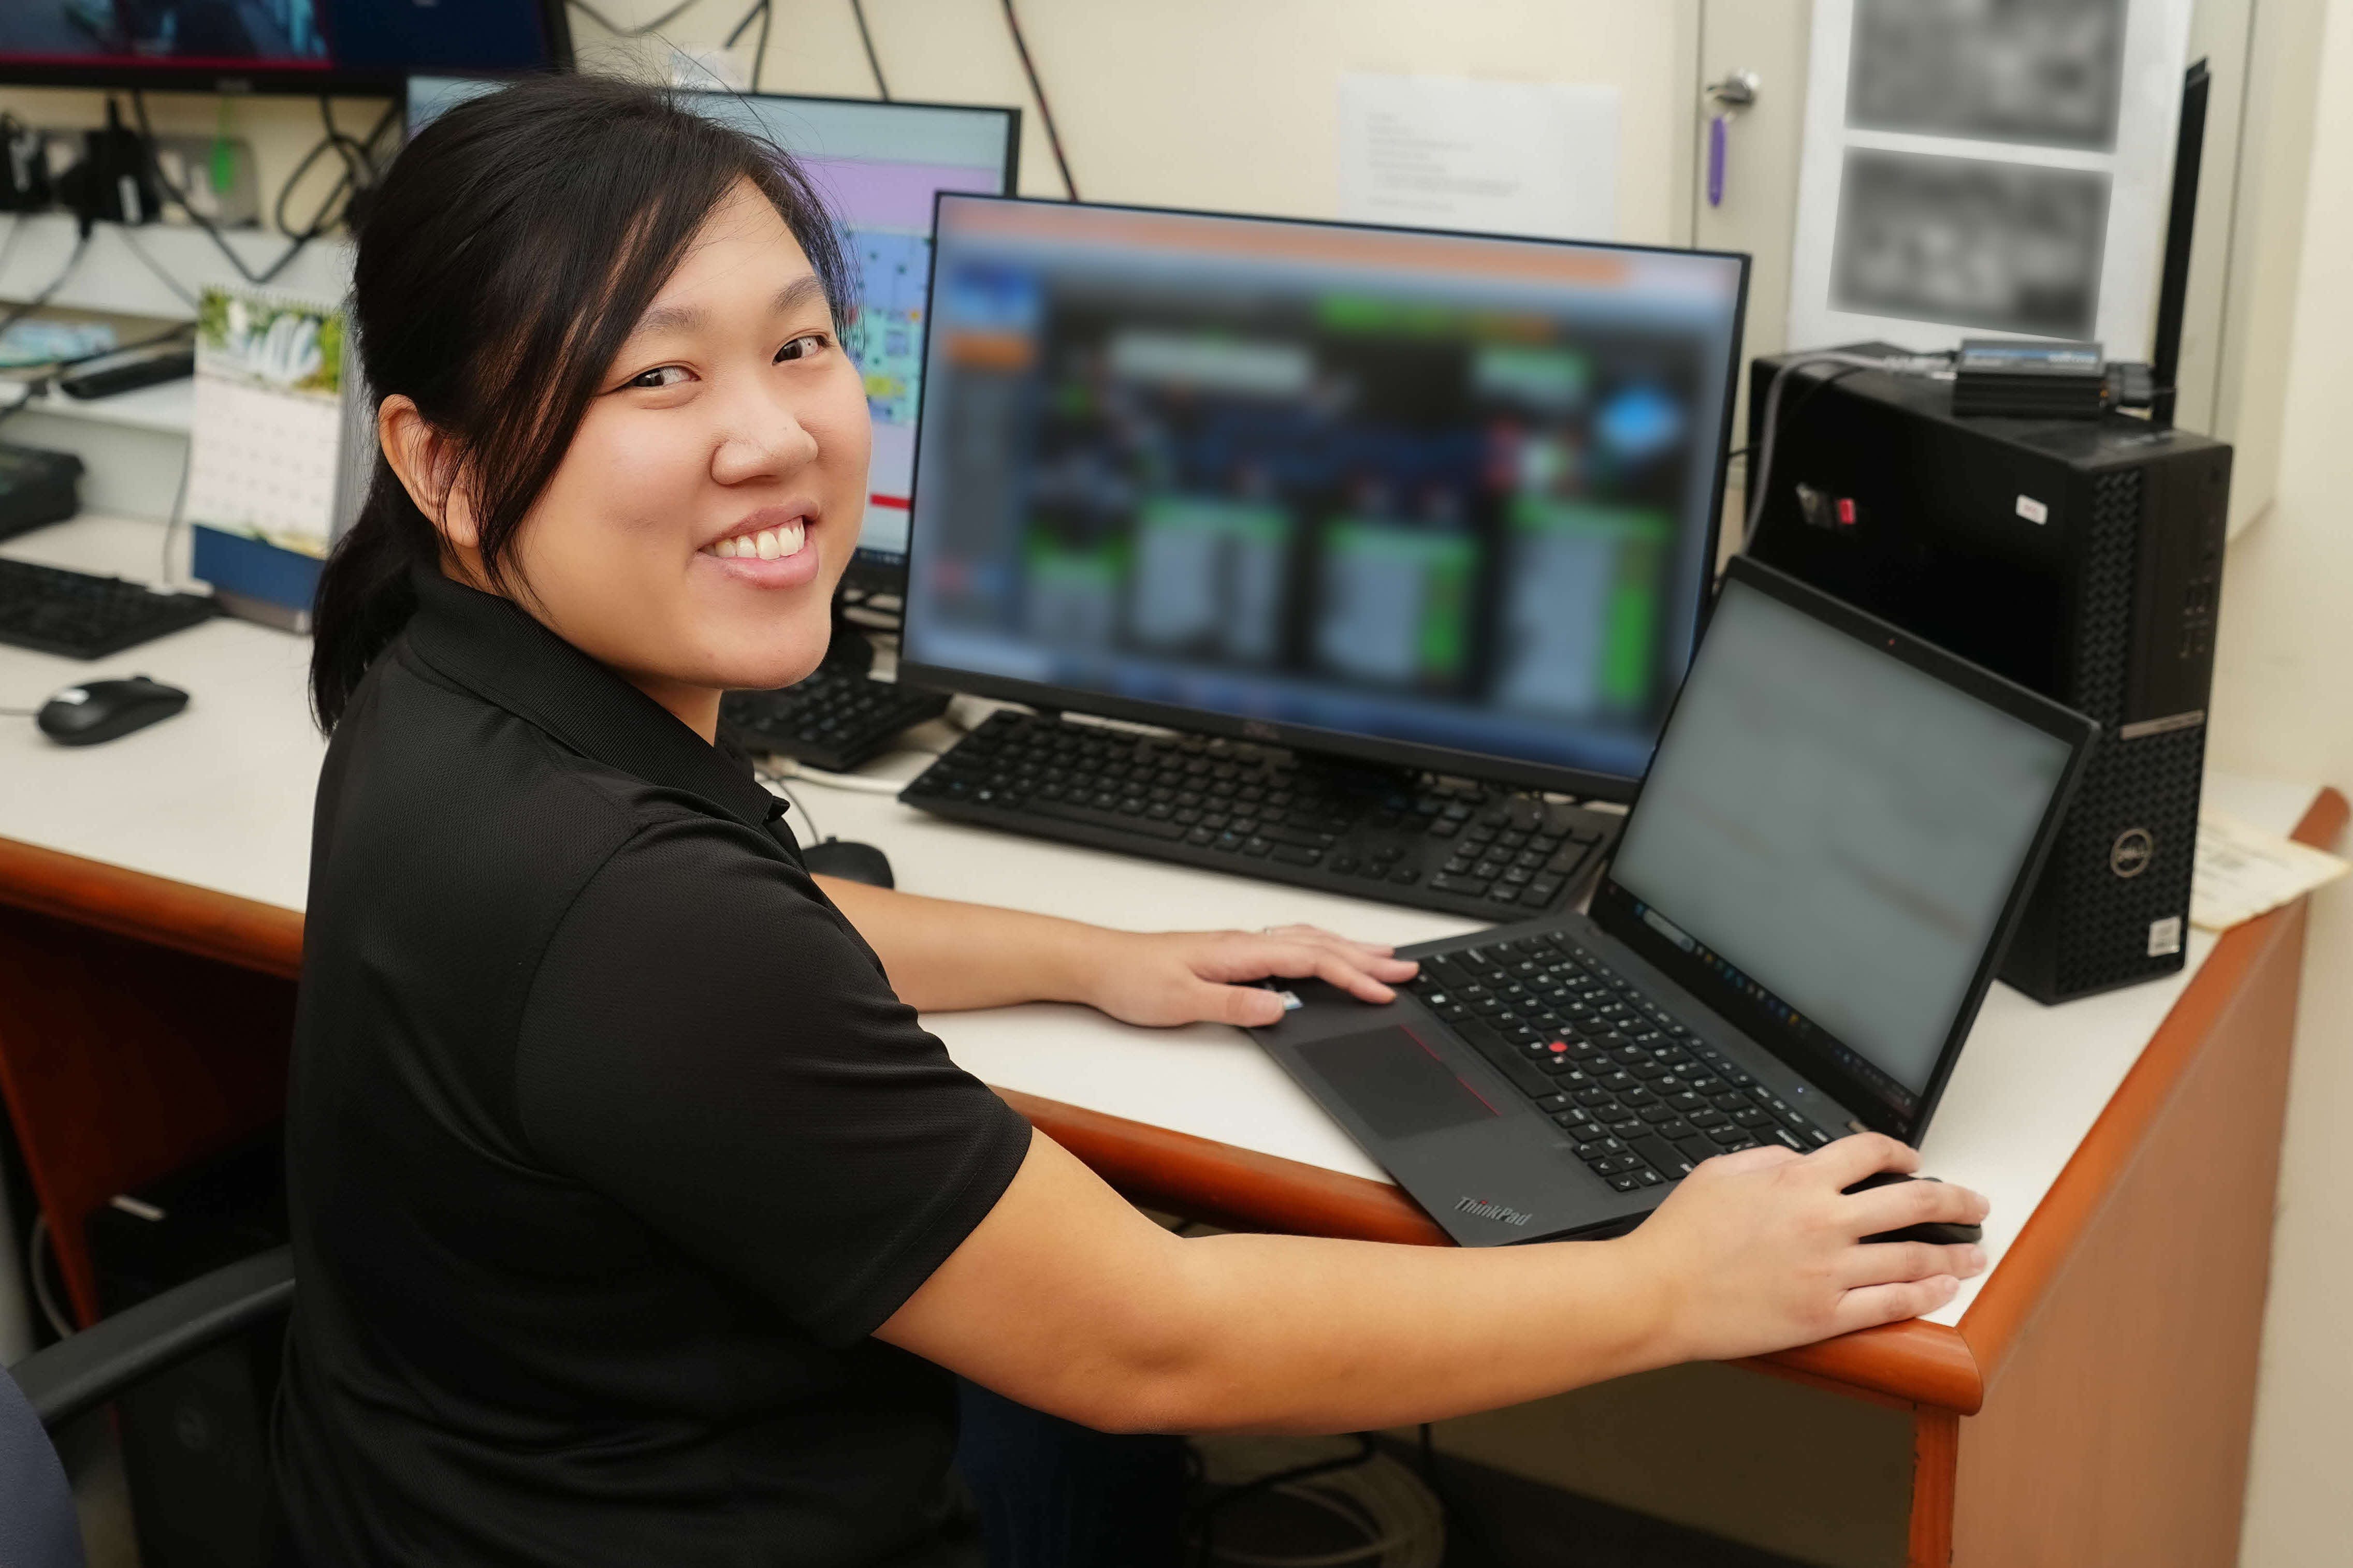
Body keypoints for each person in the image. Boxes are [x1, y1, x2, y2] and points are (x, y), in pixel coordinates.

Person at [273, 74, 1989, 1568]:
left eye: (803, 345)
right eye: (655, 382)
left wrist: (1106, 962)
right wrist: (1675, 1288)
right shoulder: (643, 923)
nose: (774, 434)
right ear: (439, 462)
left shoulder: (433, 690)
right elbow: (1149, 1340)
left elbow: (752, 935)